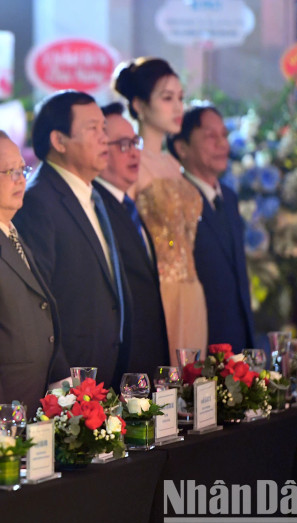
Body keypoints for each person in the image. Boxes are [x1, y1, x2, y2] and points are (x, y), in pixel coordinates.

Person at [14, 91, 132, 389]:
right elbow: (37, 304)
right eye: (93, 129)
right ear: (59, 141)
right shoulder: (38, 201)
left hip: (108, 372)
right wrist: (64, 380)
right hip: (71, 383)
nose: (104, 138)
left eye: (104, 129)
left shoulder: (92, 194)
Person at [0, 128, 65, 421]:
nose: (21, 179)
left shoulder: (9, 229)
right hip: (7, 408)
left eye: (22, 169)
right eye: (9, 171)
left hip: (34, 397)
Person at [113, 57, 208, 364]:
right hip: (158, 291)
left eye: (180, 98)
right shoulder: (131, 163)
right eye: (167, 98)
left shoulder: (172, 164)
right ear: (139, 104)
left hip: (192, 290)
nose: (178, 107)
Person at [169, 105, 255, 351]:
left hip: (238, 341)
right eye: (210, 136)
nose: (222, 144)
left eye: (224, 135)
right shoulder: (176, 200)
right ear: (181, 147)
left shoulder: (229, 197)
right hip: (200, 343)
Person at [92, 102, 168, 376]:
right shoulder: (96, 206)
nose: (134, 152)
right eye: (123, 145)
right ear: (100, 149)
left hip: (149, 353)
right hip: (124, 364)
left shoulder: (128, 204)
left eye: (135, 142)